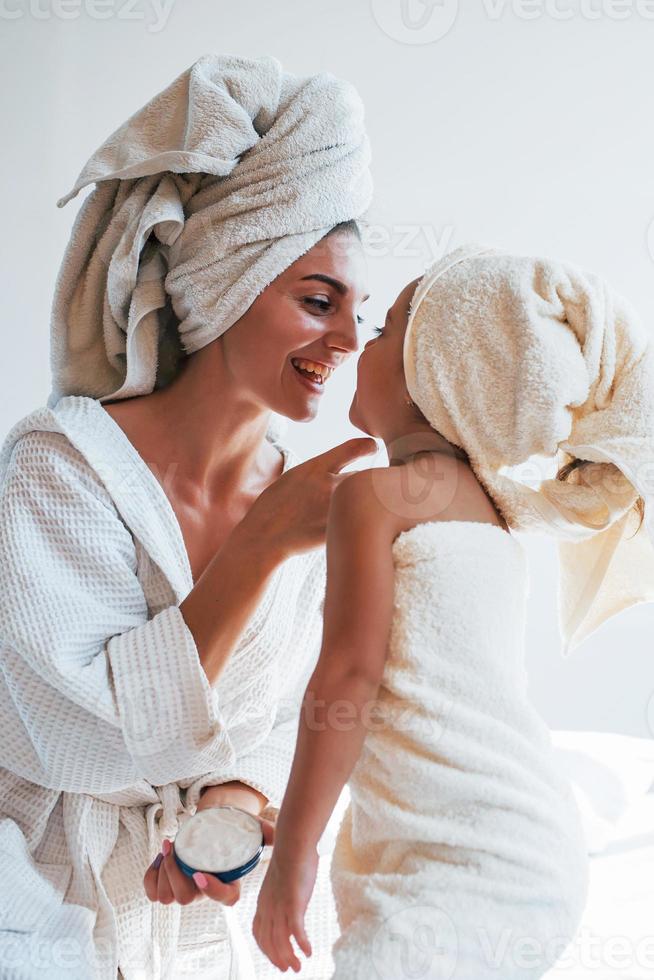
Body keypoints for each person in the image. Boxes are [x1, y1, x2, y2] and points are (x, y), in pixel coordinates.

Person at [0, 54, 375, 979]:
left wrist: (236, 810)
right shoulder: (61, 462)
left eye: (358, 313)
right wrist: (258, 544)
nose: (346, 341)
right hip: (42, 891)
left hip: (195, 929)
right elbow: (73, 731)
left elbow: (285, 717)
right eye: (316, 301)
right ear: (226, 284)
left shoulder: (308, 489)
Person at [252, 244, 654, 978]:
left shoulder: (374, 496)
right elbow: (423, 709)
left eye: (382, 333)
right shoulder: (498, 520)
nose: (359, 342)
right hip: (533, 849)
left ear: (429, 375)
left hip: (462, 857)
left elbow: (346, 679)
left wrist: (297, 860)